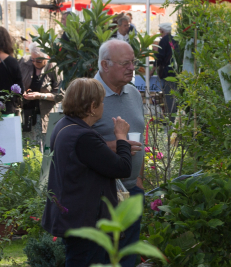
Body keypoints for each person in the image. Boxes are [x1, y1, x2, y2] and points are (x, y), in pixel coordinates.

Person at [41, 78, 134, 267]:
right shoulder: (84, 136)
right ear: (92, 106)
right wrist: (122, 138)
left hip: (73, 215)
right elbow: (122, 168)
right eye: (101, 101)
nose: (103, 106)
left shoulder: (64, 125)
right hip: (85, 219)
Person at [88, 39, 146, 267]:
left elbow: (140, 136)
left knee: (128, 257)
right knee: (102, 256)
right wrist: (115, 145)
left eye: (133, 62)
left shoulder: (133, 93)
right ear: (105, 65)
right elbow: (74, 142)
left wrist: (138, 178)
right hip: (102, 193)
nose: (132, 68)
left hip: (131, 188)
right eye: (125, 63)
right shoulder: (87, 95)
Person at [20, 50, 63, 144]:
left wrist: (40, 96)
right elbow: (16, 81)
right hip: (26, 115)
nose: (34, 62)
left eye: (38, 61)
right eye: (32, 59)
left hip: (43, 116)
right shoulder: (24, 63)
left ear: (46, 58)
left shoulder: (53, 67)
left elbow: (60, 95)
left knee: (42, 146)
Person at [154, 23, 177, 113]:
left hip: (168, 73)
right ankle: (172, 116)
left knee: (169, 97)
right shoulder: (174, 39)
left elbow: (160, 57)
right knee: (173, 97)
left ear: (163, 31)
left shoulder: (164, 40)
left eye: (160, 30)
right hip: (175, 71)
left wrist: (153, 69)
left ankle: (169, 119)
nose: (159, 32)